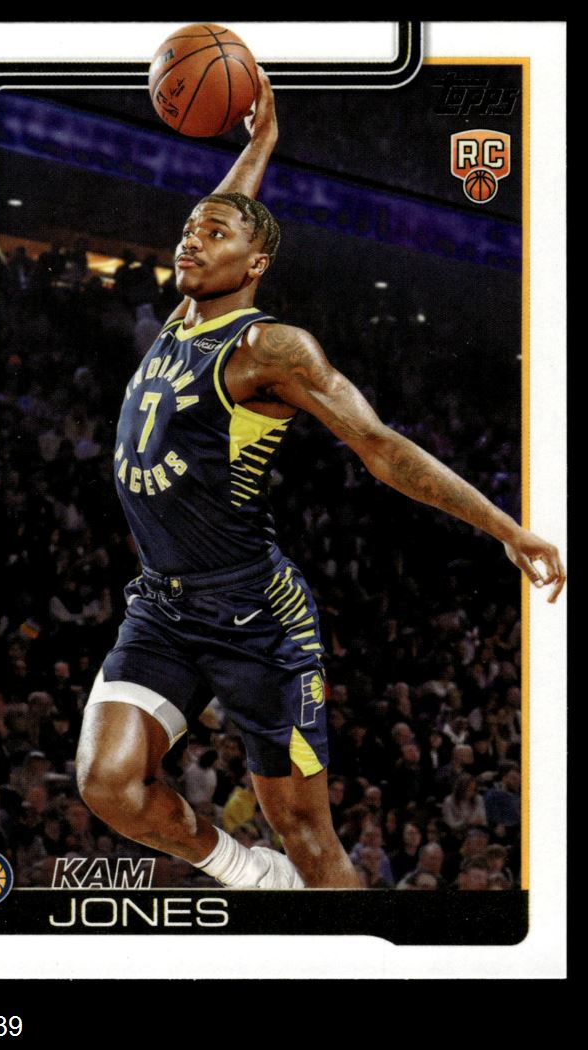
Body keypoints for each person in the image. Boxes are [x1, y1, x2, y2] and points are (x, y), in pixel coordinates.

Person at [76, 70, 565, 890]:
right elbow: (226, 211)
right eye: (188, 230)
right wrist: (261, 142)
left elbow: (380, 447)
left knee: (307, 835)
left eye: (212, 235)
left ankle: (349, 940)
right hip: (162, 604)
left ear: (255, 263)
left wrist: (505, 528)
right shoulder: (181, 318)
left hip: (255, 617)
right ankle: (250, 875)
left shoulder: (270, 349)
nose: (190, 240)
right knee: (106, 785)